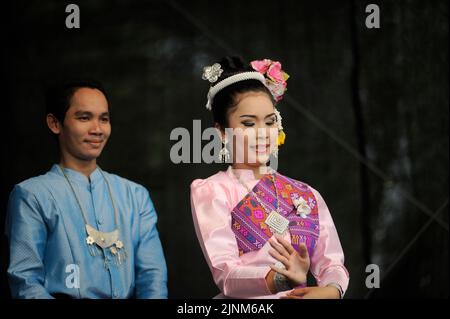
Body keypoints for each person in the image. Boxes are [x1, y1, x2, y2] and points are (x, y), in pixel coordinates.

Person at [190, 57, 349, 299]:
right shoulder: (214, 191)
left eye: (270, 121)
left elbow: (332, 265)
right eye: (248, 123)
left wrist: (331, 291)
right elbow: (227, 274)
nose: (263, 133)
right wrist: (281, 279)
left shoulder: (305, 193)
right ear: (221, 132)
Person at [5, 80, 168, 299]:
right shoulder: (32, 195)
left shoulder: (135, 196)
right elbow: (26, 282)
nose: (97, 129)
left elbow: (153, 278)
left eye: (104, 119)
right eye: (84, 117)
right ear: (55, 124)